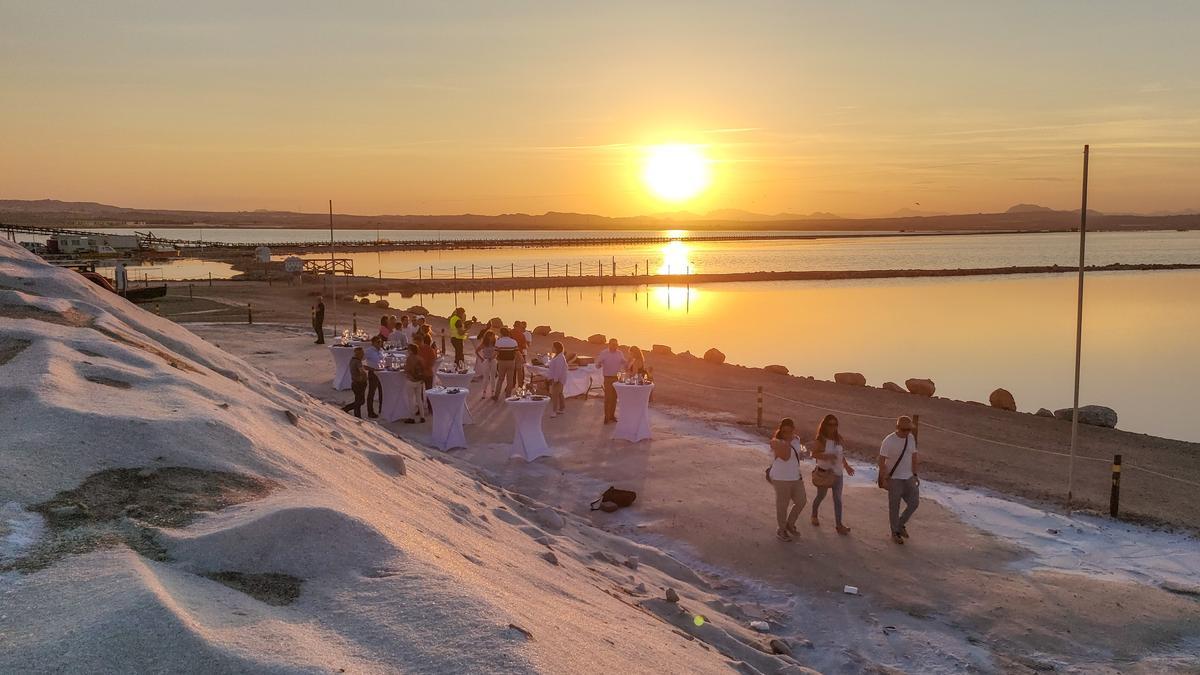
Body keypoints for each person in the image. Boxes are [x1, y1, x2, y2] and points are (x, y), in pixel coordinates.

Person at [810, 414, 855, 535]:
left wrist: (846, 466)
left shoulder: (838, 438)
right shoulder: (820, 439)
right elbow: (813, 454)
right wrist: (827, 456)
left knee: (838, 500)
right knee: (821, 496)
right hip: (824, 473)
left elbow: (840, 455)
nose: (833, 427)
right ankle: (814, 514)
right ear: (825, 425)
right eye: (830, 424)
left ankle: (839, 525)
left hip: (837, 473)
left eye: (835, 424)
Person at [879, 416, 921, 545]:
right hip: (894, 479)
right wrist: (883, 478)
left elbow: (914, 456)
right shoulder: (889, 440)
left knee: (914, 503)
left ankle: (900, 524)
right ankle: (895, 532)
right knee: (894, 507)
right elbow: (881, 461)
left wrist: (915, 474)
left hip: (908, 477)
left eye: (908, 429)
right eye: (904, 430)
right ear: (897, 428)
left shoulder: (911, 438)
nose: (906, 432)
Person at [768, 418, 810, 542]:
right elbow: (785, 457)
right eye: (785, 431)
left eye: (790, 431)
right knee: (782, 505)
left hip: (795, 476)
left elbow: (799, 452)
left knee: (801, 501)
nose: (788, 434)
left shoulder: (796, 439)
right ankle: (781, 530)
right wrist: (786, 442)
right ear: (781, 430)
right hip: (781, 478)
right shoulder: (776, 442)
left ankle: (790, 524)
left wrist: (803, 453)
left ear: (793, 430)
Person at [595, 338, 627, 424]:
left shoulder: (620, 353)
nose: (615, 346)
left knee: (614, 398)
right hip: (608, 378)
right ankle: (607, 417)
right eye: (613, 344)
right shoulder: (604, 353)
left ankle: (612, 416)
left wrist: (631, 362)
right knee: (608, 398)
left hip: (616, 378)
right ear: (609, 344)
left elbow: (624, 362)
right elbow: (597, 364)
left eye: (616, 345)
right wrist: (599, 364)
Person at [401, 343, 426, 424]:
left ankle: (412, 418)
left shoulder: (409, 358)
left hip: (411, 381)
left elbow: (406, 369)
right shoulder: (420, 358)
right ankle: (422, 416)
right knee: (419, 399)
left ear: (411, 350)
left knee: (411, 399)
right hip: (419, 381)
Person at [341, 347, 367, 418]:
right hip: (359, 383)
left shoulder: (352, 360)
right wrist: (365, 374)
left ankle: (356, 414)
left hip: (355, 383)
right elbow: (361, 371)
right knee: (360, 401)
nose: (363, 355)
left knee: (358, 400)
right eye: (361, 353)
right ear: (358, 354)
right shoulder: (358, 362)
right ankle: (348, 409)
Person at [493, 327, 519, 400]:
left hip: (502, 362)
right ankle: (508, 396)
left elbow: (495, 352)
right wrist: (521, 360)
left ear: (501, 333)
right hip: (511, 362)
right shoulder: (513, 341)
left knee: (500, 379)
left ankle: (496, 396)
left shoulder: (499, 341)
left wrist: (490, 358)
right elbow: (517, 353)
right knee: (510, 380)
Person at [363, 335, 385, 418]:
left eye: (380, 342)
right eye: (378, 342)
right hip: (373, 373)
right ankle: (370, 411)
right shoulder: (368, 351)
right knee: (371, 392)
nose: (380, 343)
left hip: (382, 373)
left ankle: (381, 409)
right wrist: (368, 368)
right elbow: (361, 360)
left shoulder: (381, 350)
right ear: (373, 343)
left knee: (381, 391)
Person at [547, 340, 568, 417]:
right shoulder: (558, 356)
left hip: (558, 379)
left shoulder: (560, 358)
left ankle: (554, 411)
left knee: (555, 395)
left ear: (556, 348)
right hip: (558, 379)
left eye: (553, 347)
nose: (552, 348)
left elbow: (558, 370)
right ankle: (562, 408)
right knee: (560, 393)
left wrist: (555, 380)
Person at [475, 329, 498, 399]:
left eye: (492, 336)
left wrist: (493, 356)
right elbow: (476, 351)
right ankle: (484, 392)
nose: (491, 338)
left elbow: (498, 351)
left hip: (493, 360)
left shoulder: (495, 343)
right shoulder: (484, 344)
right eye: (490, 336)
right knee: (486, 377)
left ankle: (492, 392)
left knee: (493, 377)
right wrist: (481, 358)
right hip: (486, 360)